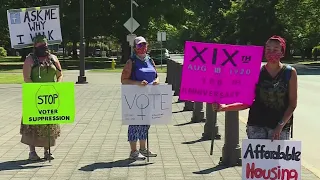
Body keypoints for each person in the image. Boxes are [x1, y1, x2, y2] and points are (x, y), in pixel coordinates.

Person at [213, 35, 298, 141]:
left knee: (276, 158)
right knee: (255, 158)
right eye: (268, 49)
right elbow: (247, 102)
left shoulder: (289, 73)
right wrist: (224, 107)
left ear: (282, 52)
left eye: (275, 49)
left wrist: (280, 125)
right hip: (256, 126)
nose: (271, 52)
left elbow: (292, 104)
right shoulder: (256, 72)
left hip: (280, 128)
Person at [20, 35, 63, 160]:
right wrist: (37, 90)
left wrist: (57, 86)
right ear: (35, 46)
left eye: (44, 45)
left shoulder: (53, 58)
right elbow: (26, 78)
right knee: (33, 123)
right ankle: (32, 152)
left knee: (49, 123)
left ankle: (47, 151)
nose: (42, 47)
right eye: (39, 45)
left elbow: (60, 74)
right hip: (35, 95)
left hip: (50, 96)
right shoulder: (30, 59)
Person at [121, 36, 159, 160]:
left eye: (144, 45)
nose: (142, 48)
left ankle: (143, 148)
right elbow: (124, 80)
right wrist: (137, 83)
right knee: (134, 123)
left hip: (149, 95)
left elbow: (156, 75)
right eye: (139, 45)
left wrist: (156, 81)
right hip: (135, 97)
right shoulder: (131, 62)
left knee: (146, 122)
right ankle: (133, 151)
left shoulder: (150, 60)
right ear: (135, 48)